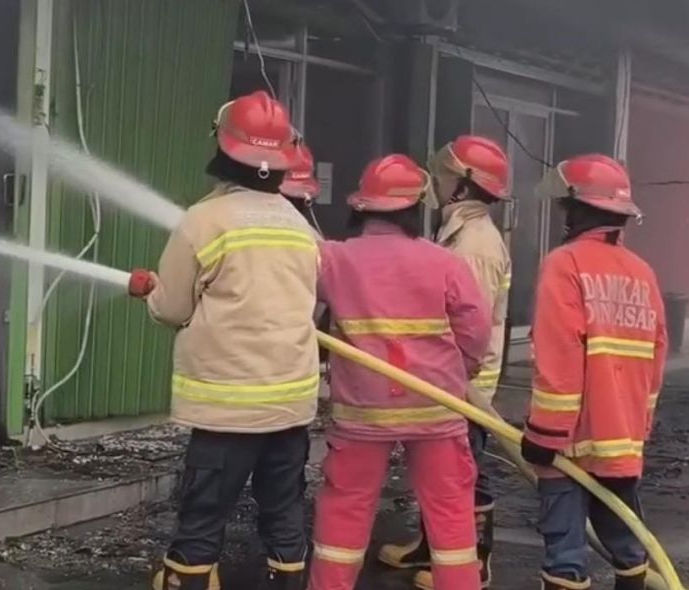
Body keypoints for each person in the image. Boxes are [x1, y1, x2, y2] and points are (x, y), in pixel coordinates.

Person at [128, 90, 320, 590]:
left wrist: (151, 292)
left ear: (222, 146)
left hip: (226, 408)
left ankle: (188, 580)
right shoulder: (300, 227)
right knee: (284, 514)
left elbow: (173, 308)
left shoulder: (203, 220)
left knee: (204, 513)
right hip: (289, 407)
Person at [308, 154, 493, 590]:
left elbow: (296, 295)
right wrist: (461, 371)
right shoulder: (444, 262)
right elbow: (477, 327)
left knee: (345, 509)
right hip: (436, 406)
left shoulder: (333, 258)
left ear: (360, 206)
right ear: (416, 209)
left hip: (362, 412)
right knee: (450, 514)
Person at [519, 155, 667, 590]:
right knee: (626, 540)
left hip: (571, 443)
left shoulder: (565, 264)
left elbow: (559, 355)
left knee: (565, 549)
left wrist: (545, 434)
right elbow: (656, 358)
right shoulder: (643, 272)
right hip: (622, 437)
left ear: (578, 209)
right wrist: (638, 428)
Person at [378, 136, 510, 590]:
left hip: (465, 383)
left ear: (464, 185)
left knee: (463, 471)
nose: (437, 181)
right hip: (445, 376)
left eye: (446, 174)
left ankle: (474, 561)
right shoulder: (456, 229)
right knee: (436, 470)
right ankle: (432, 545)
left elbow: (468, 319)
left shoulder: (475, 243)